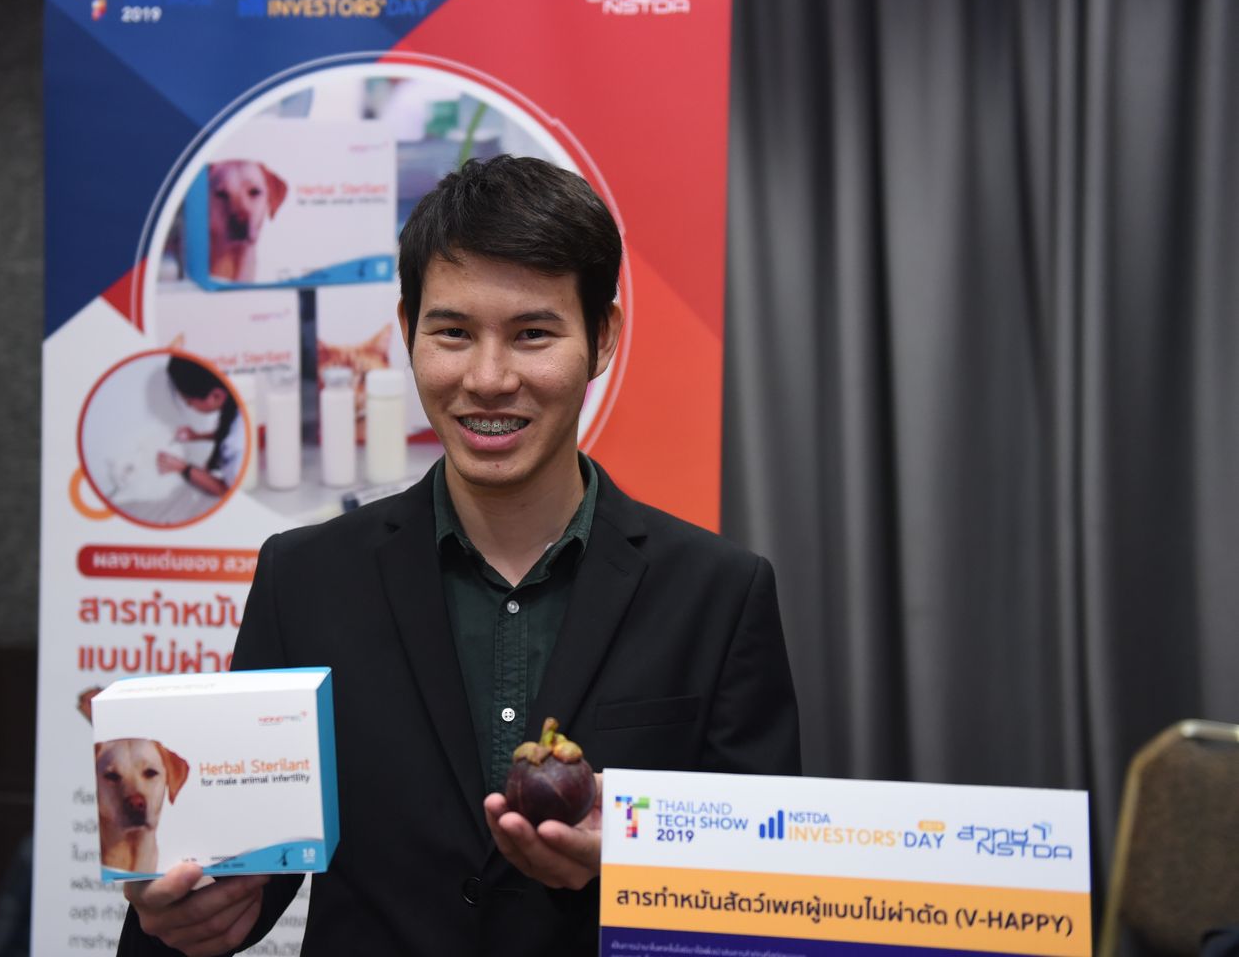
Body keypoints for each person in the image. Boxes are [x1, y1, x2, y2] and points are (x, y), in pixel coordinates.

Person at [117, 155, 800, 956]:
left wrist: (636, 864)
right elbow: (237, 877)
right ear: (408, 329)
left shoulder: (718, 594)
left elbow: (764, 895)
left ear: (603, 337)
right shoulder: (303, 580)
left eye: (533, 334)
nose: (488, 378)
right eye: (453, 333)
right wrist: (181, 916)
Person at [159, 355, 243, 497]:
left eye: (188, 400)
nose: (188, 406)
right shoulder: (233, 405)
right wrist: (197, 436)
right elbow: (226, 432)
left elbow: (227, 491)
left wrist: (182, 468)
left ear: (216, 396)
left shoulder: (237, 445)